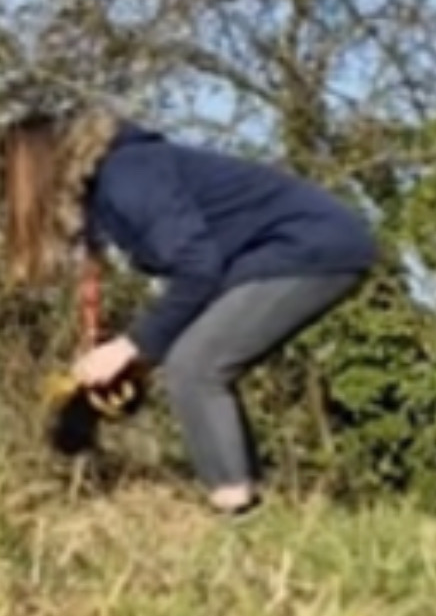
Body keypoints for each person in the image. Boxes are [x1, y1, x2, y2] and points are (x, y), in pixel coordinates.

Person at [3, 105, 379, 515]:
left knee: (196, 366)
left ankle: (236, 507)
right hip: (264, 258)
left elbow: (197, 271)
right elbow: (192, 285)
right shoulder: (107, 194)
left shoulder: (128, 176)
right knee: (196, 358)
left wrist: (129, 347)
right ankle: (249, 501)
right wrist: (134, 359)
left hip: (308, 247)